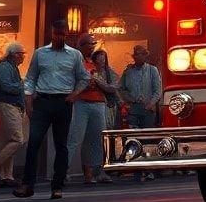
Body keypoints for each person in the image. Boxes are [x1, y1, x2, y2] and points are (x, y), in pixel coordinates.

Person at [13, 19, 89, 200]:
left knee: (61, 145)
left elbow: (84, 78)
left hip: (63, 102)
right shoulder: (40, 53)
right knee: (34, 142)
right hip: (43, 100)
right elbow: (31, 77)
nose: (59, 37)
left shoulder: (74, 55)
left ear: (66, 34)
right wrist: (29, 100)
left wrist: (74, 94)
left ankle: (57, 185)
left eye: (62, 34)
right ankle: (27, 184)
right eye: (56, 34)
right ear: (52, 33)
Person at [66, 34, 116, 186]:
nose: (92, 47)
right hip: (82, 102)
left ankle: (93, 173)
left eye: (93, 45)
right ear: (81, 45)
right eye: (89, 45)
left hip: (98, 102)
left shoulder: (94, 64)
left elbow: (111, 84)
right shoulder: (75, 61)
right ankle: (62, 171)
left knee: (96, 139)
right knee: (75, 138)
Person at [0, 42, 27, 188]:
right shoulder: (4, 67)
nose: (23, 56)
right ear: (14, 54)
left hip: (10, 106)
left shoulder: (10, 67)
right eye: (22, 53)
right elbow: (7, 87)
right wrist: (21, 84)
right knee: (17, 139)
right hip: (8, 105)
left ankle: (6, 176)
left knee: (6, 142)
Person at [118, 45, 162, 182]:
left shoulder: (152, 70)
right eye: (136, 54)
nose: (138, 57)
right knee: (133, 138)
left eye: (141, 54)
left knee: (147, 139)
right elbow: (121, 88)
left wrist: (152, 103)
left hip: (148, 109)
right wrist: (129, 100)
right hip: (134, 109)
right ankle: (136, 168)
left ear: (145, 55)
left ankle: (149, 169)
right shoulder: (128, 71)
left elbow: (158, 90)